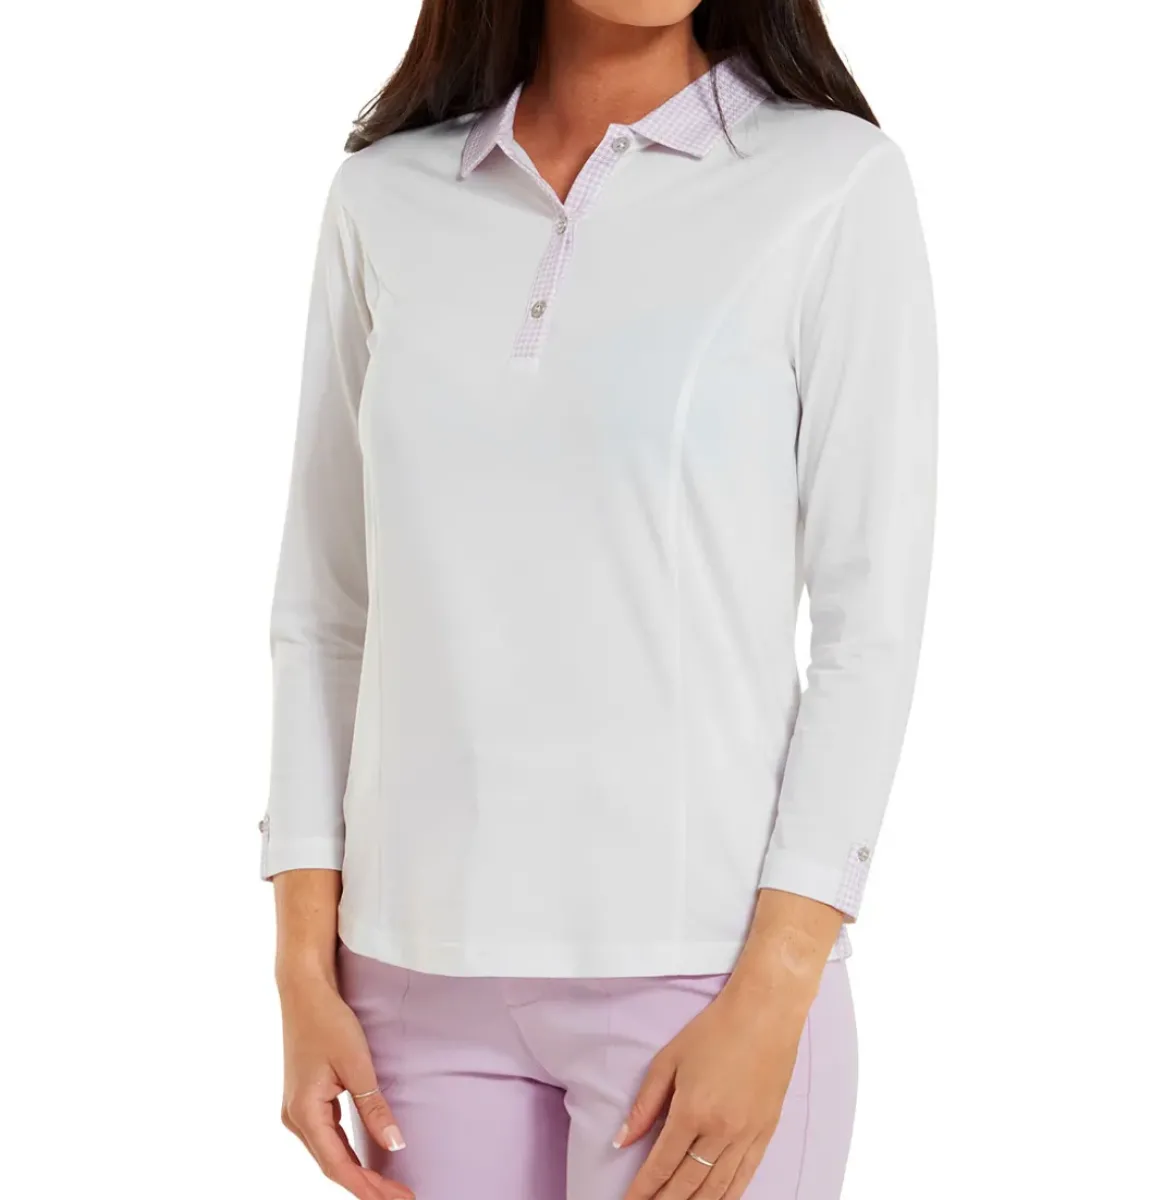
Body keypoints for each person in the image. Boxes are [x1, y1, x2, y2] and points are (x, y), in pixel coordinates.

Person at [260, 2, 937, 1198]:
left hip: (700, 976)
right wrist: (301, 972)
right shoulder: (384, 197)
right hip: (412, 984)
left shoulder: (831, 183)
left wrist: (778, 984)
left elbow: (868, 625)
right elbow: (326, 608)